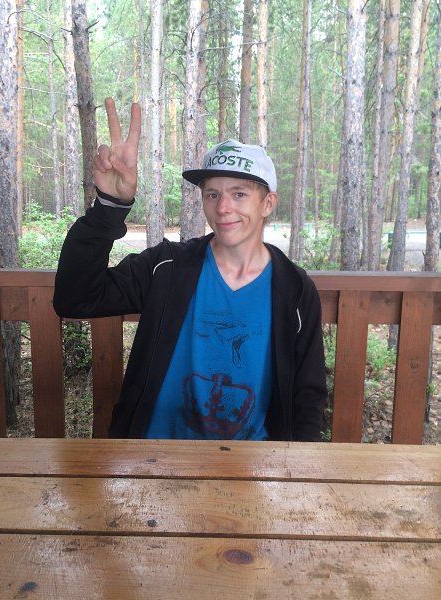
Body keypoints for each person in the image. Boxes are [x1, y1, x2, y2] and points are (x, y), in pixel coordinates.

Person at [53, 98, 327, 441]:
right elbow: (75, 299)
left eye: (239, 194)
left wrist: (297, 466)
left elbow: (308, 395)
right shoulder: (167, 267)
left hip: (250, 462)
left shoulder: (294, 289)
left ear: (267, 203)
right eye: (212, 194)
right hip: (154, 455)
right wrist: (109, 207)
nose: (223, 207)